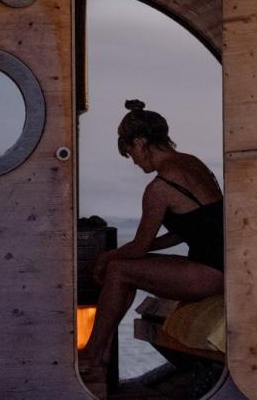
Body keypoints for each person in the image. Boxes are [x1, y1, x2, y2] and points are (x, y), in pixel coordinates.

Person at [80, 99, 225, 375]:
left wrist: (105, 258)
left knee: (118, 270)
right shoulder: (193, 164)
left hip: (210, 274)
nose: (134, 162)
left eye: (131, 153)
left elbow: (139, 247)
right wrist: (136, 254)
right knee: (124, 268)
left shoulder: (160, 187)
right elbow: (187, 230)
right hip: (219, 267)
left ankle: (92, 354)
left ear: (139, 142)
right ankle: (102, 350)